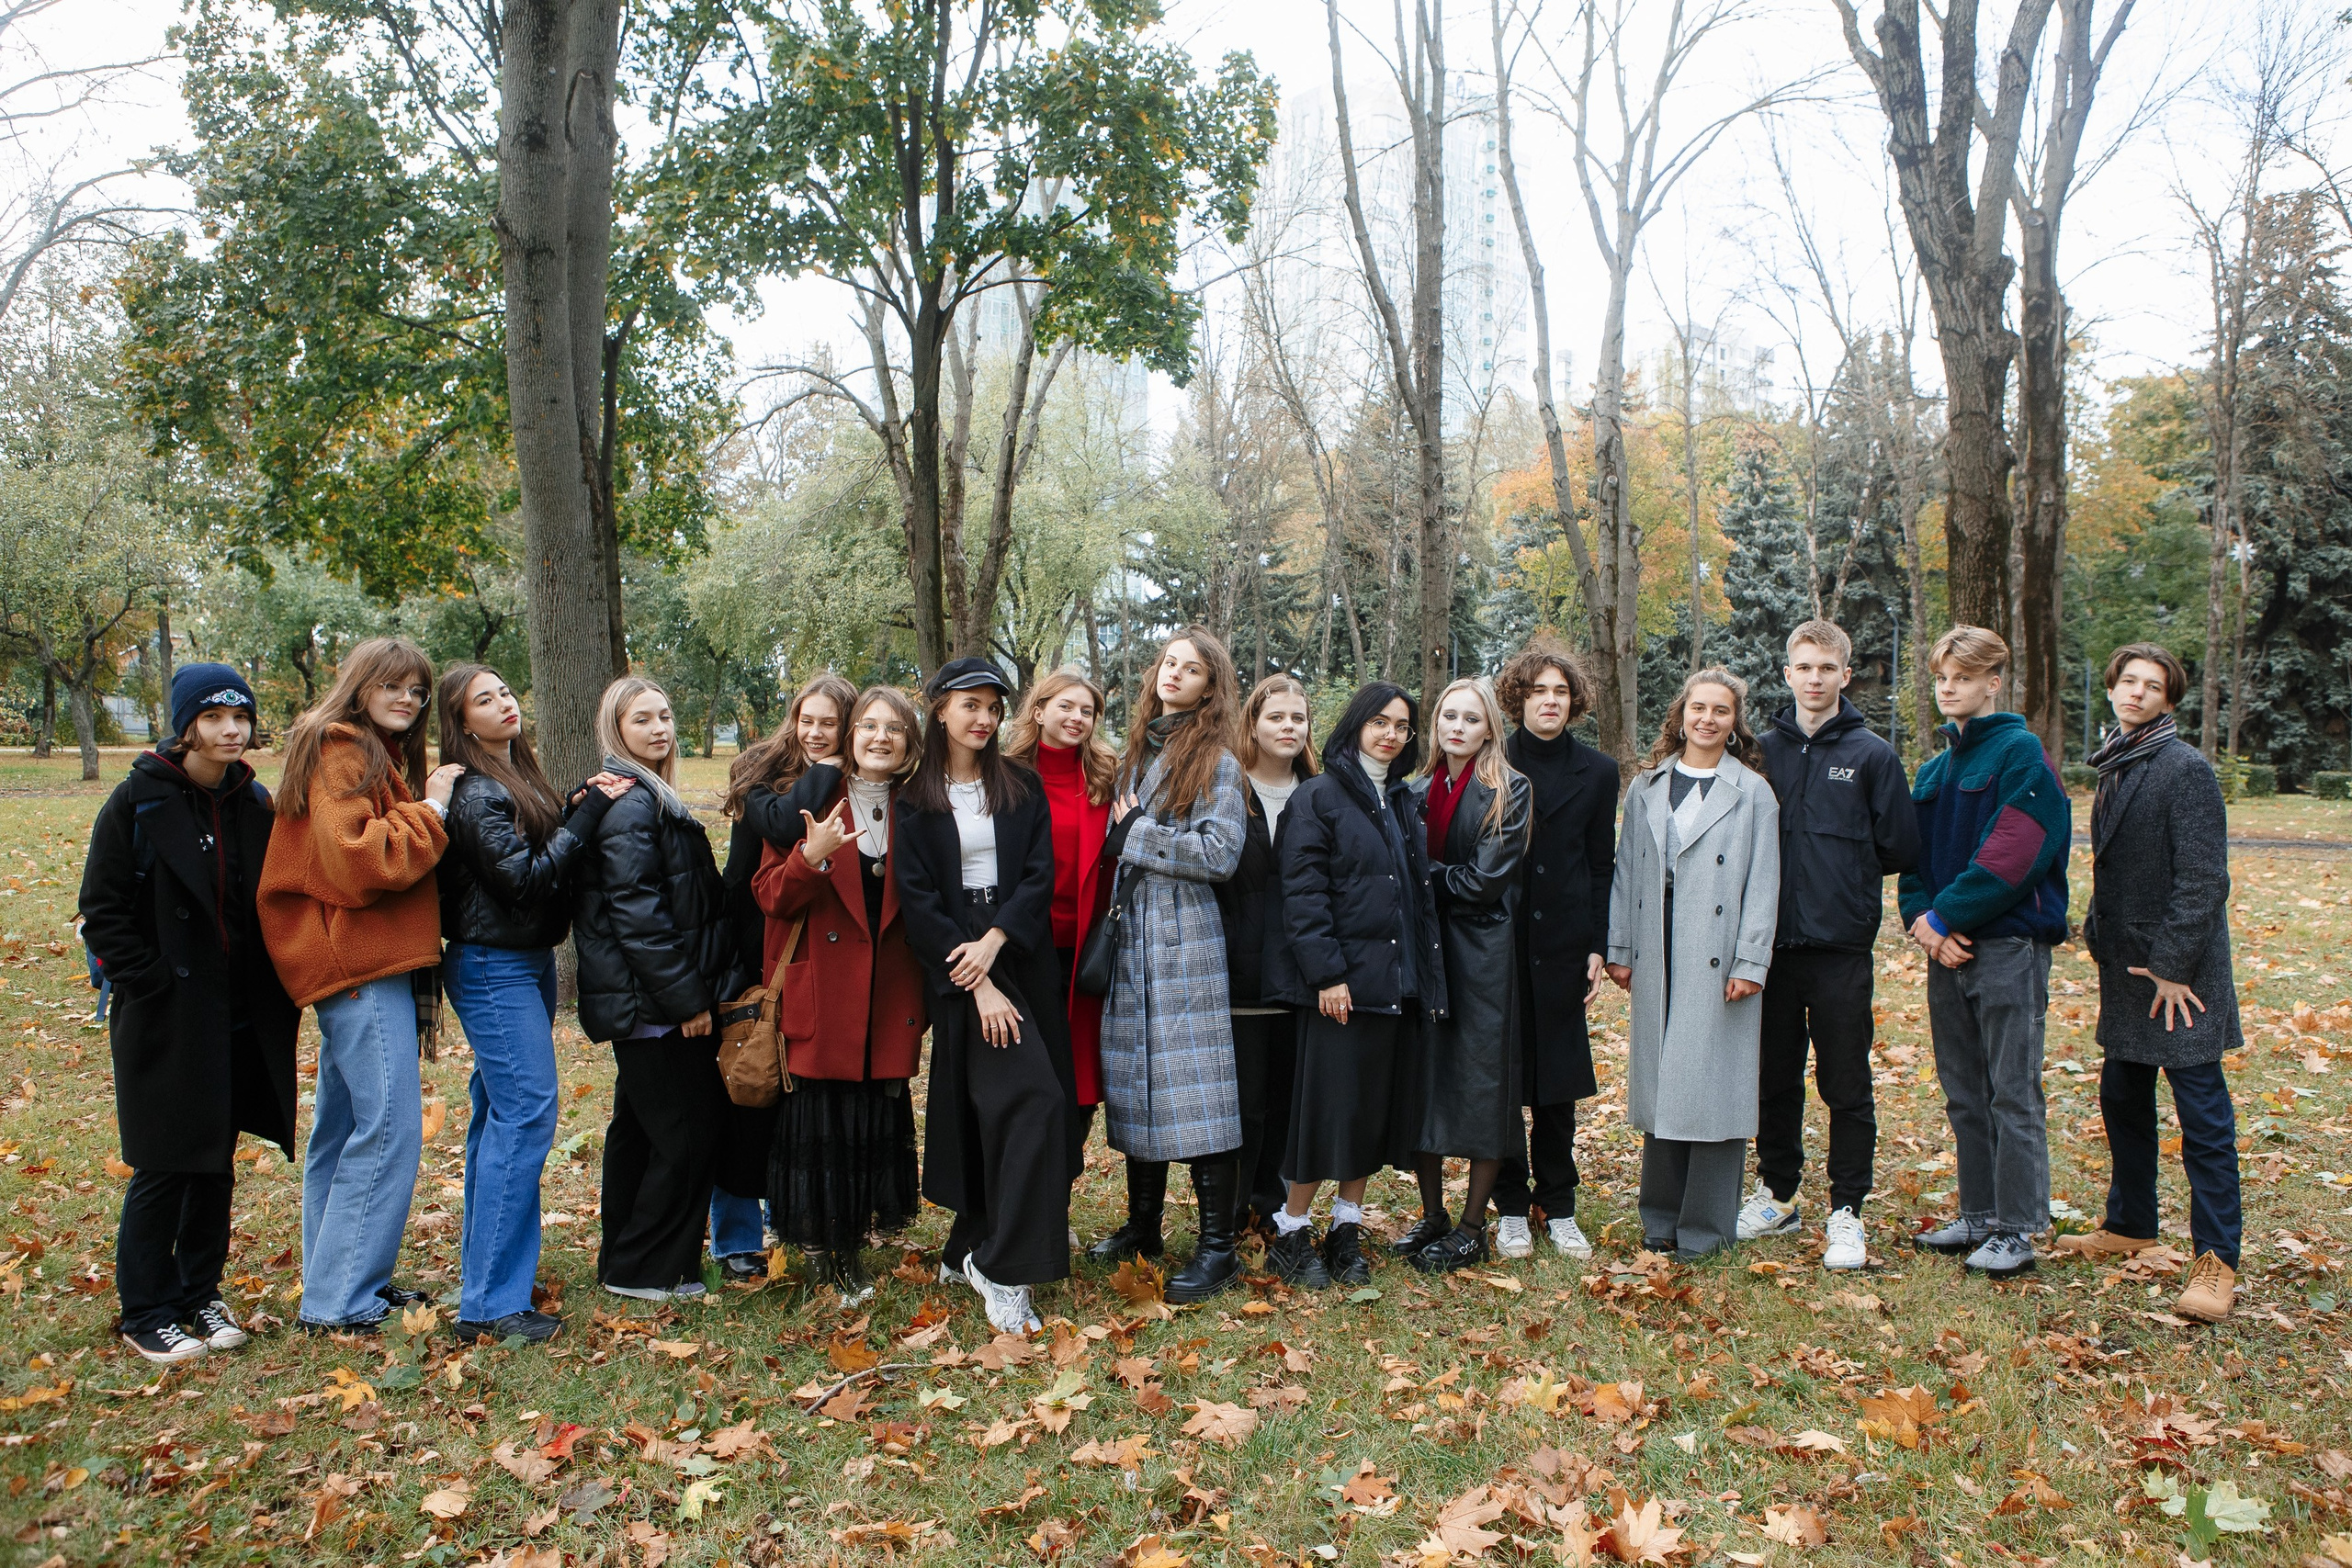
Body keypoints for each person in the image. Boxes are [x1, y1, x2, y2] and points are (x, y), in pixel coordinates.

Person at [83, 665, 298, 1362]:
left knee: (214, 1159)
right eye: (214, 717)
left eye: (240, 716)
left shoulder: (251, 799)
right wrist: (148, 981)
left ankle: (199, 1291)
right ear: (187, 725)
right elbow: (103, 907)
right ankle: (147, 1308)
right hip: (169, 1012)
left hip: (236, 1012)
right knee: (164, 1162)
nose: (231, 729)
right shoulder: (137, 799)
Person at [258, 637, 460, 1333]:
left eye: (418, 690)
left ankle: (339, 1278)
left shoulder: (358, 748)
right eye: (394, 685)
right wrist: (432, 812)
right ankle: (341, 1300)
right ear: (362, 683)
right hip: (357, 966)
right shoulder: (342, 748)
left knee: (342, 1128)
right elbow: (358, 861)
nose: (408, 698)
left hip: (352, 962)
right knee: (389, 1128)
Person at [435, 663, 632, 1343]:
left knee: (500, 1117)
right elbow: (523, 880)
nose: (503, 704)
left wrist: (577, 801)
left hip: (526, 960)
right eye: (483, 701)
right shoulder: (474, 793)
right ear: (461, 722)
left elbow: (540, 842)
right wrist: (590, 814)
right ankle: (489, 1305)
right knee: (524, 1116)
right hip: (493, 965)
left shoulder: (512, 776)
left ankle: (488, 1283)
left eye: (507, 692)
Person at [2054, 644, 2242, 1322]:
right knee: (2122, 1099)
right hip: (2128, 973)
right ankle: (2130, 1222)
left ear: (2169, 699)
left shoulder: (2185, 769)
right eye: (2127, 680)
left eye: (2151, 685)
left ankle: (2217, 1262)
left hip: (2178, 977)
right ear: (2112, 688)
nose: (2135, 692)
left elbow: (2203, 878)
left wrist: (2170, 965)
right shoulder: (2120, 760)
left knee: (2203, 1118)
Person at [894, 658, 1071, 1332]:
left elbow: (1037, 874)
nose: (984, 718)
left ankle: (968, 1244)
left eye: (993, 707)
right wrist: (978, 983)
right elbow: (919, 901)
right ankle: (1002, 1265)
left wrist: (996, 946)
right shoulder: (914, 798)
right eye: (970, 704)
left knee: (1009, 1101)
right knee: (1028, 1100)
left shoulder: (1019, 785)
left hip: (1017, 951)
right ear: (940, 710)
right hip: (956, 959)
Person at [1736, 621, 1920, 1271]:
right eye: (1803, 666)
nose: (1814, 678)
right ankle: (1778, 1194)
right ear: (1787, 674)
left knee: (1846, 1082)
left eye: (1827, 667)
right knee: (1774, 1079)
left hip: (1841, 949)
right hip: (1770, 949)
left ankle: (1847, 1210)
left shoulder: (1872, 755)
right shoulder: (1761, 752)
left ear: (1846, 674)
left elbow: (1900, 844)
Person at [1898, 626, 2071, 1278]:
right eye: (1943, 676)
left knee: (2012, 1090)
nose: (1950, 687)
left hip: (2007, 948)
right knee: (1964, 1090)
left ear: (1993, 681)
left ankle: (2016, 1226)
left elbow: (2016, 853)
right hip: (1945, 950)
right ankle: (1977, 1213)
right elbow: (1912, 860)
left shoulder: (2022, 755)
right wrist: (1923, 921)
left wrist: (1948, 914)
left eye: (1964, 677)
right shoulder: (1935, 768)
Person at [1262, 683, 1447, 1289]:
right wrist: (1327, 973)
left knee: (1368, 1113)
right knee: (1328, 1113)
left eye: (1403, 726)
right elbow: (1303, 893)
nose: (1392, 734)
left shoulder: (1401, 801)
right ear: (1355, 725)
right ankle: (1289, 1230)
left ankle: (1344, 1227)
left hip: (1395, 984)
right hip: (1340, 986)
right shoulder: (1319, 796)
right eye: (1380, 722)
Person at [572, 677, 749, 1301]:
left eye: (665, 716)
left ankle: (624, 1257)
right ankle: (648, 1268)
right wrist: (688, 1003)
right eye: (641, 718)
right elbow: (639, 918)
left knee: (640, 1132)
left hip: (652, 1003)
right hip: (656, 1007)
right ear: (614, 729)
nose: (658, 728)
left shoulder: (647, 797)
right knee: (688, 1131)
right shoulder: (629, 806)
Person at [753, 686, 927, 1307]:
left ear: (910, 743)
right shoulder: (812, 798)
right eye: (870, 727)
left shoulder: (918, 808)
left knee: (869, 1117)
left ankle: (853, 1238)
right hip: (825, 991)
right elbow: (771, 896)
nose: (881, 737)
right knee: (823, 1116)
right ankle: (825, 1250)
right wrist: (811, 857)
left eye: (895, 729)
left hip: (888, 994)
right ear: (851, 736)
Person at [1091, 629, 1250, 1301]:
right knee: (1137, 1080)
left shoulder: (1216, 760)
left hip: (1186, 938)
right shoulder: (1131, 757)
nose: (1174, 675)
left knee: (1198, 1086)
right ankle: (1143, 1224)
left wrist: (1138, 835)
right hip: (1132, 934)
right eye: (1169, 663)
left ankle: (1218, 1247)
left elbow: (1220, 854)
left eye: (1192, 669)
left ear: (1211, 687)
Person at [1606, 670, 1781, 1261]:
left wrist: (1752, 960)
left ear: (1736, 722)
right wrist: (1622, 949)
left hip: (1720, 951)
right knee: (1664, 1084)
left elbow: (1764, 883)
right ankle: (1659, 1217)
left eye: (1721, 711)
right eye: (1698, 708)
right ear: (1680, 714)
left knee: (1713, 1086)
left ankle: (1706, 1226)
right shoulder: (1647, 786)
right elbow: (1627, 871)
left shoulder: (1752, 792)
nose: (1707, 720)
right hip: (1658, 946)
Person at [711, 674, 855, 1280]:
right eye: (808, 718)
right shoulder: (759, 771)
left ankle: (788, 1218)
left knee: (794, 1099)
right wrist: (829, 765)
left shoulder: (860, 781)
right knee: (749, 1088)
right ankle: (734, 1233)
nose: (816, 731)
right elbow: (781, 825)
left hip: (806, 954)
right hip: (748, 946)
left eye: (830, 722)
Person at [1491, 644, 1616, 1261]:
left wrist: (1598, 944)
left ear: (1573, 701)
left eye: (1560, 691)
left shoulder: (1597, 771)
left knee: (1557, 1087)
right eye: (1538, 689)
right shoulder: (1493, 759)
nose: (1549, 700)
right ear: (1519, 697)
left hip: (1564, 945)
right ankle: (1511, 1205)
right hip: (1498, 944)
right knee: (1505, 1080)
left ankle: (1559, 1204)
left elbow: (1601, 864)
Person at [1405, 677, 1533, 1272]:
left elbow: (1484, 882)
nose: (1457, 726)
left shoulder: (1510, 789)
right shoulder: (1411, 791)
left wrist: (1419, 877)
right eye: (1447, 716)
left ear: (1489, 729)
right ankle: (1431, 1214)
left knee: (1483, 1084)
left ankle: (1472, 1224)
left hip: (1481, 956)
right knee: (1424, 1079)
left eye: (1470, 718)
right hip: (1424, 951)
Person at [1002, 669, 1117, 1177]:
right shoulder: (1005, 775)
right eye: (1066, 707)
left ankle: (1060, 1194)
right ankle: (1022, 1198)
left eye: (1087, 712)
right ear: (1039, 709)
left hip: (1087, 953)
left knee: (1080, 1079)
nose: (1076, 719)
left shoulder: (1106, 778)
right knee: (1031, 1074)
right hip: (1025, 947)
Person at [1216, 675, 1316, 1237]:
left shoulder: (1318, 791)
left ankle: (1273, 1208)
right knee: (1244, 1103)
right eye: (1276, 717)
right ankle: (1230, 1213)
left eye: (1297, 719)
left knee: (1285, 1100)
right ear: (1252, 722)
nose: (1287, 728)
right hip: (1241, 969)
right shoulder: (1230, 788)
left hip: (1303, 974)